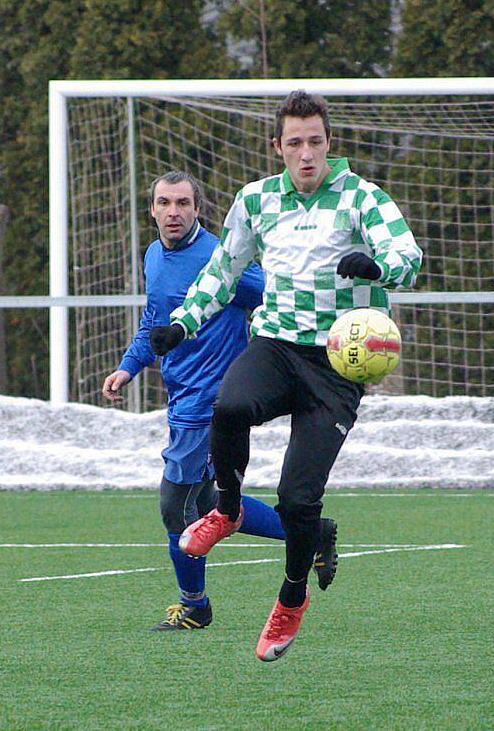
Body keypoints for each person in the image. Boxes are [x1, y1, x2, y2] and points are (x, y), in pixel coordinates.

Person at [150, 92, 422, 661]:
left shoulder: (361, 198)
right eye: (294, 142)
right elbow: (222, 272)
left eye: (315, 142)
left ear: (329, 144)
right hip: (274, 346)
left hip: (335, 364)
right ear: (277, 147)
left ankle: (291, 599)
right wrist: (182, 324)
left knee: (298, 501)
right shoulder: (256, 201)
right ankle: (225, 508)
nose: (306, 154)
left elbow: (407, 255)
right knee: (229, 406)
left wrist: (379, 266)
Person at [102, 170, 340, 632]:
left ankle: (195, 605)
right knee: (211, 499)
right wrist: (129, 366)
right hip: (181, 396)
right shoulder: (154, 255)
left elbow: (274, 294)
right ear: (151, 209)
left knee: (175, 503)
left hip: (211, 401)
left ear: (198, 209)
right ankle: (311, 535)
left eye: (183, 203)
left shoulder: (219, 257)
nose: (174, 212)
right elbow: (156, 320)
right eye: (165, 203)